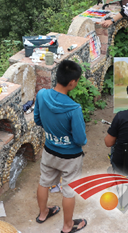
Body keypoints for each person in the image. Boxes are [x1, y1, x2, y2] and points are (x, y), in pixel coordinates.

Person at [35, 60, 87, 233]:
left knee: (44, 182)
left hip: (49, 150)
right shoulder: (74, 108)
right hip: (70, 157)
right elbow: (80, 139)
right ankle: (67, 226)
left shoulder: (41, 95)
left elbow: (37, 120)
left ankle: (43, 214)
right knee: (69, 191)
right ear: (72, 83)